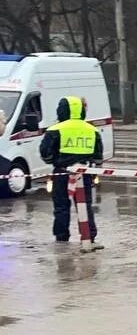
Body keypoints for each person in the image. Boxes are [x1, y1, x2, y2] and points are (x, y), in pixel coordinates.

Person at [39, 95, 103, 247]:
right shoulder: (92, 130)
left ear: (62, 111)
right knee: (85, 205)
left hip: (61, 173)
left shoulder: (55, 129)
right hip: (85, 172)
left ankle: (61, 239)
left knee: (61, 206)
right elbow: (98, 156)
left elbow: (45, 153)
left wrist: (56, 162)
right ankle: (89, 237)